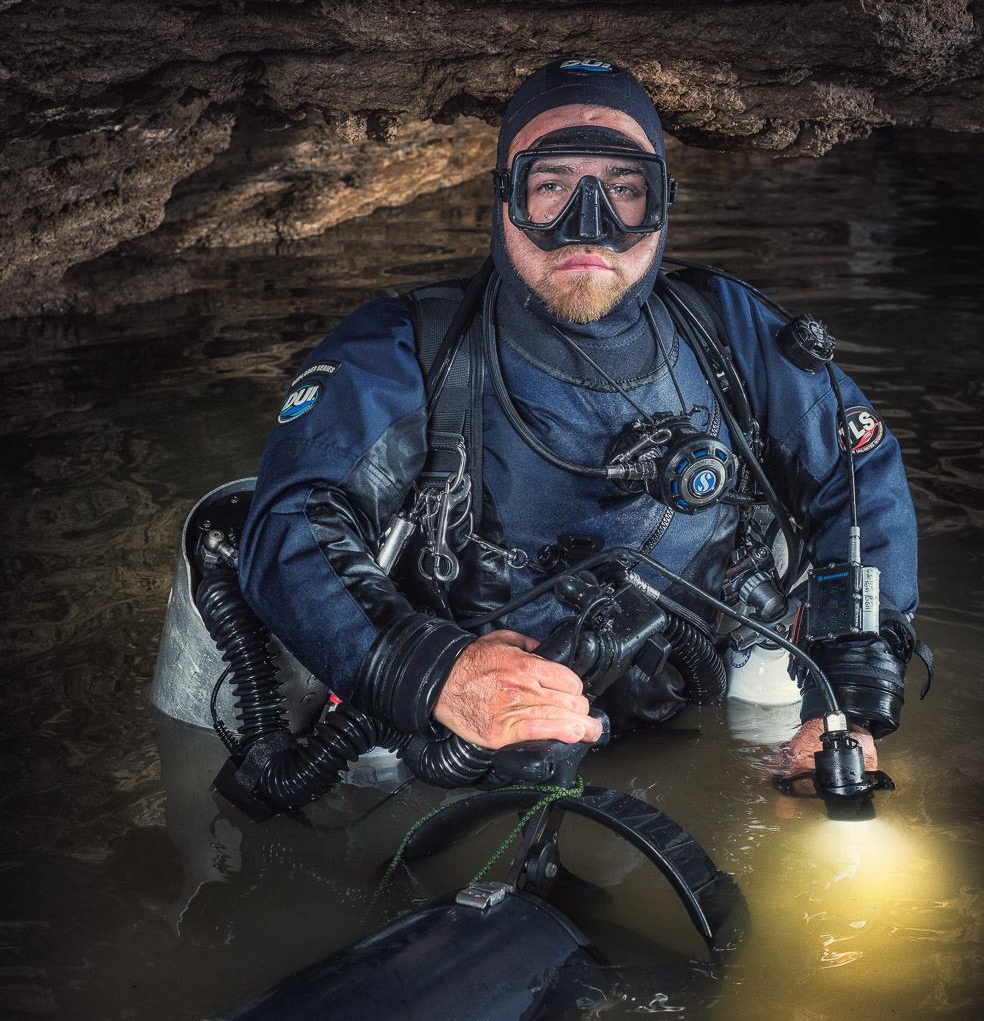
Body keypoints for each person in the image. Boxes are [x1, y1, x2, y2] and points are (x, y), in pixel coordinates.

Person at [237, 59, 921, 791]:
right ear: (504, 199)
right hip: (467, 722)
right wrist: (437, 672)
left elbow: (859, 478)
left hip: (698, 693)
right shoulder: (406, 347)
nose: (586, 226)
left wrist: (843, 705)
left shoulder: (729, 330)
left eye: (623, 189)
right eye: (553, 186)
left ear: (662, 204)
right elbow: (291, 521)